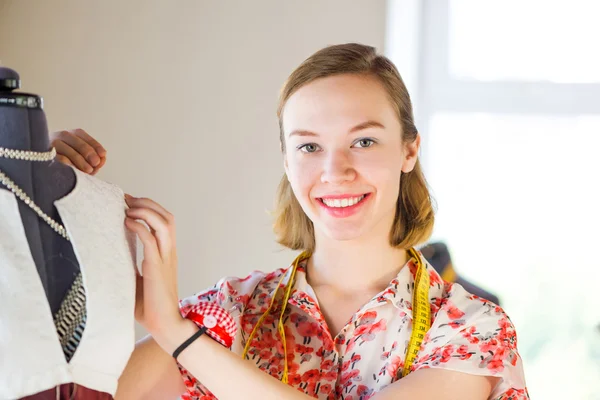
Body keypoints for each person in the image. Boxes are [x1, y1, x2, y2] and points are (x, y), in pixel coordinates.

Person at [51, 43, 529, 400]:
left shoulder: (470, 326)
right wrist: (39, 189)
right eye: (309, 146)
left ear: (409, 149)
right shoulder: (229, 314)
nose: (334, 171)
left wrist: (175, 334)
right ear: (286, 159)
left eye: (363, 141)